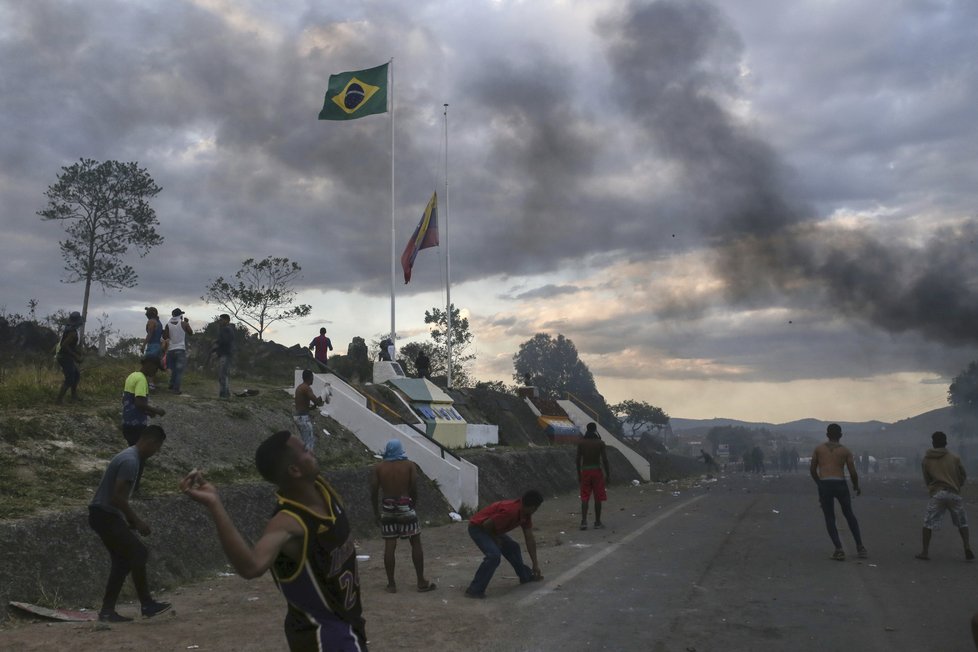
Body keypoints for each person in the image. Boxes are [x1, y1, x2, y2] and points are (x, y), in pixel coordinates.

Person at [180, 431, 367, 650]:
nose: (312, 451)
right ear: (295, 470)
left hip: (348, 624)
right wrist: (215, 504)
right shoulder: (288, 523)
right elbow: (250, 567)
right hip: (323, 636)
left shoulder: (323, 490)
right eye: (306, 450)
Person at [88, 425, 171, 622]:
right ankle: (147, 604)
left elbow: (116, 499)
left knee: (123, 561)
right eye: (157, 449)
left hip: (104, 514)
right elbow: (117, 498)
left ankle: (108, 611)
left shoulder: (129, 457)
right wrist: (137, 521)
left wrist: (128, 520)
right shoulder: (130, 461)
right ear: (151, 442)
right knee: (138, 553)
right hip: (104, 515)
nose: (155, 453)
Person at [369, 439, 435, 594]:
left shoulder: (379, 467)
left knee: (389, 545)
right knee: (415, 542)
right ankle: (421, 581)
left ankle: (391, 584)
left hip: (387, 506)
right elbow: (414, 488)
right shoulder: (410, 465)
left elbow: (373, 491)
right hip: (406, 505)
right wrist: (413, 504)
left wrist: (376, 512)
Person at [465, 489, 544, 598]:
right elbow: (486, 525)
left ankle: (525, 575)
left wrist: (535, 564)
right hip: (478, 528)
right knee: (494, 556)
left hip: (492, 529)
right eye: (537, 508)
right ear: (533, 507)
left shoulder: (525, 514)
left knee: (513, 547)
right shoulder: (511, 511)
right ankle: (475, 589)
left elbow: (529, 538)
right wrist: (495, 539)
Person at [810, 423, 867, 561]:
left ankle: (839, 549)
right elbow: (853, 472)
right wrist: (856, 486)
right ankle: (860, 547)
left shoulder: (818, 449)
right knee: (849, 514)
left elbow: (812, 470)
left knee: (830, 517)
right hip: (840, 484)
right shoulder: (845, 451)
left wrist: (819, 483)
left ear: (827, 435)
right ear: (840, 435)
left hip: (825, 484)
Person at [916, 431, 974, 561]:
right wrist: (957, 484)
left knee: (928, 523)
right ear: (946, 442)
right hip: (953, 493)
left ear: (933, 443)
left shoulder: (927, 459)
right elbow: (963, 475)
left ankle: (925, 552)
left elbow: (927, 479)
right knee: (962, 522)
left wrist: (933, 488)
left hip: (938, 493)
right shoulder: (954, 458)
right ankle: (967, 546)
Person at [122, 355, 166, 446]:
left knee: (132, 449)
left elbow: (130, 402)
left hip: (127, 423)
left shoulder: (132, 375)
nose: (156, 372)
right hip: (136, 426)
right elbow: (139, 403)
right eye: (156, 368)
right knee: (138, 452)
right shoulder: (141, 379)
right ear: (149, 364)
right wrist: (156, 410)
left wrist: (147, 412)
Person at [576, 423, 610, 530]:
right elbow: (605, 460)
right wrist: (608, 474)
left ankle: (584, 521)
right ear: (595, 429)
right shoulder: (600, 443)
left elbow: (577, 460)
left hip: (585, 470)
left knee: (585, 497)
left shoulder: (581, 443)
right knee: (598, 497)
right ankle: (597, 522)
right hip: (597, 471)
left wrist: (579, 474)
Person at [55, 311, 84, 403]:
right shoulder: (72, 333)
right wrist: (75, 356)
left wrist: (77, 352)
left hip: (64, 356)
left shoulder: (70, 330)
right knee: (70, 378)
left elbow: (69, 346)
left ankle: (73, 396)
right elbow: (64, 345)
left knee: (76, 375)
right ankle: (59, 400)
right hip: (64, 357)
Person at [163, 308, 193, 394]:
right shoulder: (184, 323)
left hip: (171, 350)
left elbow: (165, 337)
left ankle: (171, 385)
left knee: (174, 369)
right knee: (179, 370)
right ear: (180, 315)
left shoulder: (168, 325)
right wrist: (187, 323)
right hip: (180, 349)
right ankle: (176, 389)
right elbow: (191, 333)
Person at [294, 369, 324, 451]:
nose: (313, 379)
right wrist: (324, 394)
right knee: (309, 442)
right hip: (303, 418)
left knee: (303, 442)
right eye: (312, 377)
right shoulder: (306, 388)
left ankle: (301, 461)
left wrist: (311, 407)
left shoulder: (300, 387)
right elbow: (317, 401)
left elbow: (302, 405)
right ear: (310, 377)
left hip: (298, 416)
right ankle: (307, 461)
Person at [141, 307, 164, 389]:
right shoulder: (159, 322)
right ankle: (151, 384)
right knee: (153, 365)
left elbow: (150, 334)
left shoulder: (151, 321)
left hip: (152, 346)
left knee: (148, 364)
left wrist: (143, 345)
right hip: (158, 345)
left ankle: (147, 384)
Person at [213, 314, 233, 399]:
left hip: (225, 354)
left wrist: (217, 343)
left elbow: (225, 341)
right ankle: (226, 393)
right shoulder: (227, 329)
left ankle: (223, 394)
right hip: (225, 354)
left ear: (227, 320)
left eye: (221, 320)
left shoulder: (226, 329)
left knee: (222, 375)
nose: (220, 321)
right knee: (224, 375)